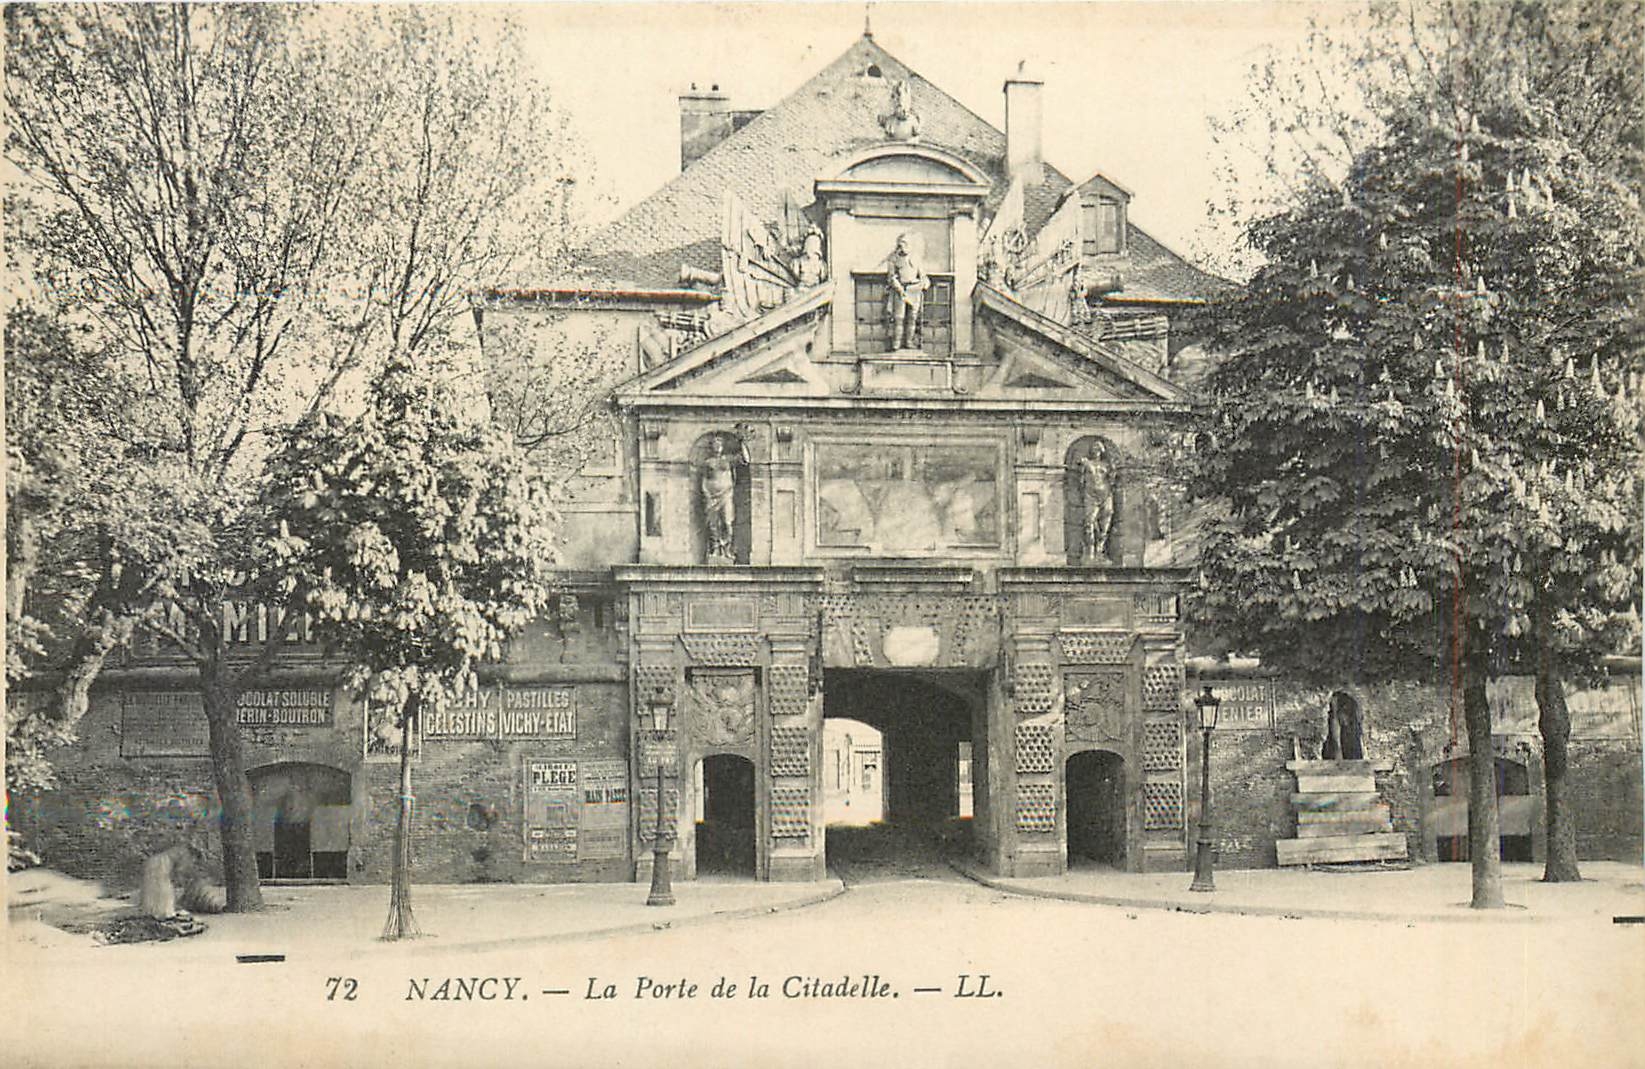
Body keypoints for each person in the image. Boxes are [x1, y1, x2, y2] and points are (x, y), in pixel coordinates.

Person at [700, 435, 746, 561]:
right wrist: (706, 493)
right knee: (713, 524)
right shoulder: (708, 462)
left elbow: (745, 459)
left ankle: (727, 548)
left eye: (719, 444)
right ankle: (715, 548)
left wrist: (742, 443)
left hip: (726, 494)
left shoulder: (728, 460)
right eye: (714, 444)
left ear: (722, 447)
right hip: (712, 496)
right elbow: (704, 479)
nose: (717, 446)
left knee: (727, 522)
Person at [885, 232, 929, 350]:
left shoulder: (916, 259)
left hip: (914, 290)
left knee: (912, 317)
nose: (902, 246)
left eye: (905, 243)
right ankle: (897, 343)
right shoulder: (893, 259)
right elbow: (891, 277)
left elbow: (923, 276)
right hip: (900, 290)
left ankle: (909, 342)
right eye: (901, 243)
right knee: (899, 318)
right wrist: (899, 288)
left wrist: (924, 283)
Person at [1079, 451, 1115, 564]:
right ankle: (1090, 550)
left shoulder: (1106, 464)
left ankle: (1100, 550)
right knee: (1089, 521)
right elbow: (1081, 481)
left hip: (1106, 494)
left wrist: (1113, 469)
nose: (1096, 451)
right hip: (1090, 495)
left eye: (1099, 448)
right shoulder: (1086, 463)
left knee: (1105, 523)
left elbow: (1112, 480)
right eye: (1094, 448)